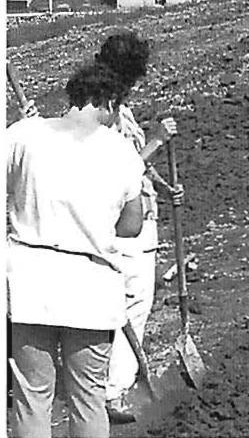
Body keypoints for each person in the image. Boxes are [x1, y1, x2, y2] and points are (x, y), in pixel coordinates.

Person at [7, 61, 146, 438]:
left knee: (32, 398)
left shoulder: (24, 135)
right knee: (87, 399)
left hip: (30, 282)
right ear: (110, 102)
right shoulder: (121, 152)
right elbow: (131, 225)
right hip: (92, 286)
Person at [95, 32, 172, 424]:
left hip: (138, 214)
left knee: (127, 305)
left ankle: (109, 383)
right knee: (134, 304)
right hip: (126, 225)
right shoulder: (105, 115)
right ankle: (113, 391)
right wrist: (156, 141)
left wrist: (163, 186)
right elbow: (120, 170)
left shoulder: (117, 109)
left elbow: (136, 165)